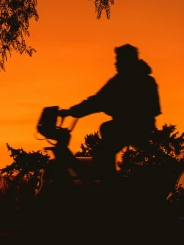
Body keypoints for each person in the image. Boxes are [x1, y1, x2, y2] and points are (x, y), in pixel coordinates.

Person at [59, 44, 161, 184]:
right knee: (106, 134)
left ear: (127, 61)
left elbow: (97, 101)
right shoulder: (141, 80)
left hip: (132, 126)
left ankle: (110, 185)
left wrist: (72, 111)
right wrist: (74, 111)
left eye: (118, 60)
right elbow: (98, 101)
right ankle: (111, 180)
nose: (115, 63)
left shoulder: (124, 81)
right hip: (138, 125)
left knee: (102, 151)